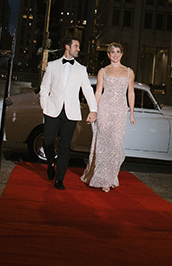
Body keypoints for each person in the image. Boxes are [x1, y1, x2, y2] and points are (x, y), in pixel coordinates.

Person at [39, 37, 97, 190]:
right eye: (76, 46)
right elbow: (44, 88)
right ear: (67, 47)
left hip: (71, 113)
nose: (78, 49)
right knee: (48, 142)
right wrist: (45, 106)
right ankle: (51, 161)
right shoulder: (52, 66)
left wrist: (93, 109)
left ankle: (59, 179)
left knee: (65, 147)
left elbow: (87, 90)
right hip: (52, 110)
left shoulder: (81, 69)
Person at [81, 42, 135, 192]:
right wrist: (93, 111)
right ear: (108, 55)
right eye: (112, 52)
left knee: (115, 144)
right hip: (105, 109)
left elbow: (131, 92)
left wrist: (131, 112)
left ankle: (111, 176)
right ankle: (104, 179)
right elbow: (98, 92)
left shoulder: (129, 72)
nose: (115, 54)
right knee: (104, 144)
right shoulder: (103, 72)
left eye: (118, 51)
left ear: (122, 54)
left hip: (120, 111)